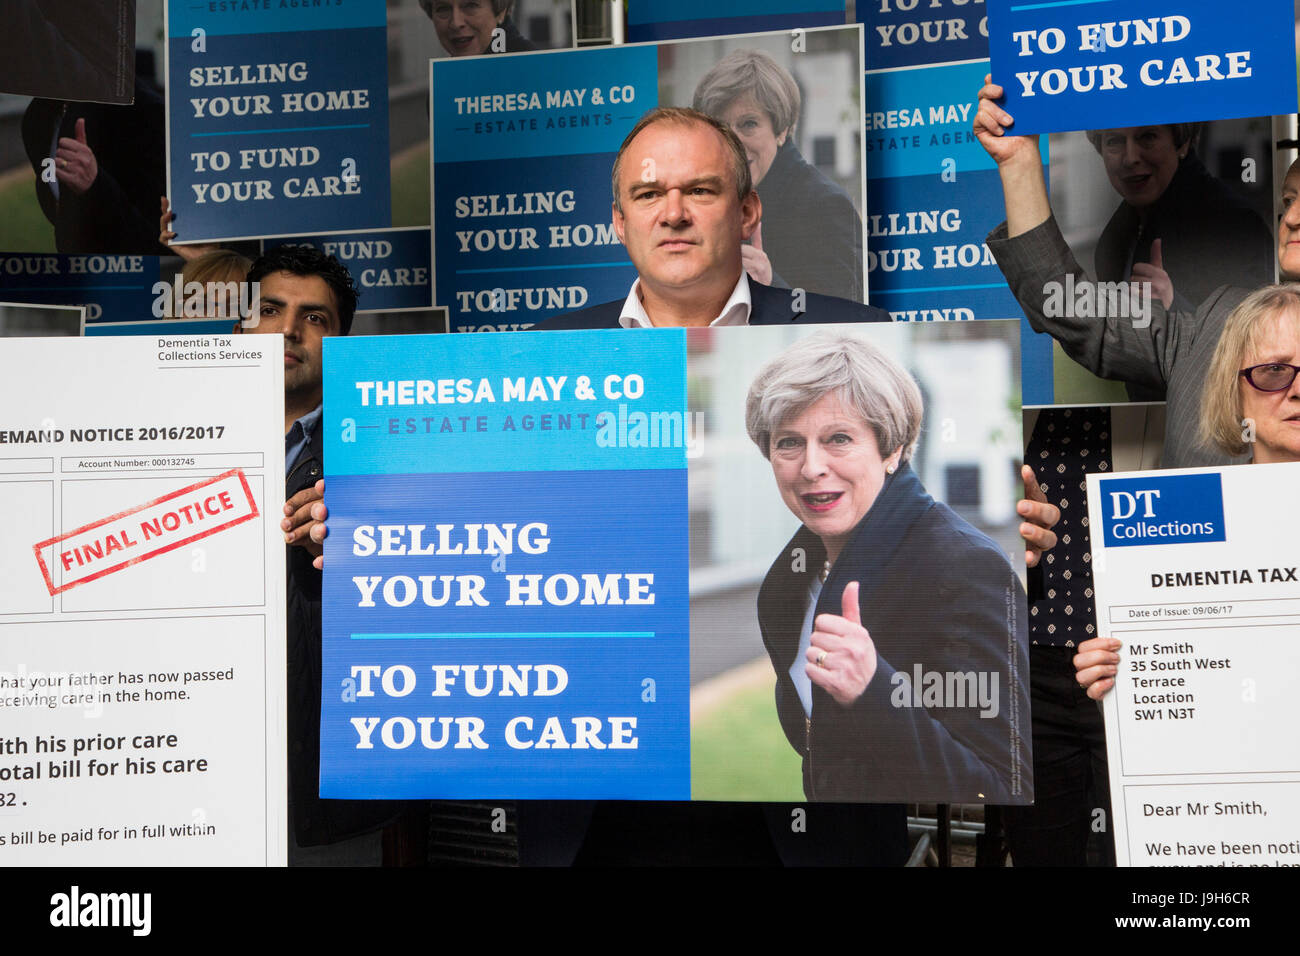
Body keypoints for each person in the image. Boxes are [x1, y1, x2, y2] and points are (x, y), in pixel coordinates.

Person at [747, 330, 1029, 806]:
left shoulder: (963, 568)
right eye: (789, 443)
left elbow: (1001, 790)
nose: (812, 467)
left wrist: (872, 690)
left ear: (893, 449)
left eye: (839, 438)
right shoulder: (788, 583)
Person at [975, 76, 1296, 470]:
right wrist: (1019, 162)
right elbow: (1065, 303)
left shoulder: (1227, 220)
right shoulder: (1213, 325)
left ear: (1181, 143)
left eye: (1147, 138)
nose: (1293, 218)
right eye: (1289, 200)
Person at [237, 244, 405, 863]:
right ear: (238, 323)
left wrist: (360, 547)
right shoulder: (163, 442)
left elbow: (432, 607)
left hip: (323, 791)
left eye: (314, 317)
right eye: (271, 309)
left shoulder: (385, 459)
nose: (287, 329)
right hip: (192, 772)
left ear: (339, 342)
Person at [1076, 284, 1300, 698]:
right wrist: (1117, 676)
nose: (1297, 390)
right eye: (1274, 370)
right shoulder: (1173, 521)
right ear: (1234, 394)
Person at [539, 107, 888, 329]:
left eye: (699, 191)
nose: (673, 214)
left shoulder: (855, 331)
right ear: (620, 223)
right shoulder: (546, 351)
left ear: (747, 213)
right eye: (649, 195)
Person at [692, 49, 864, 302]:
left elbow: (846, 320)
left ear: (782, 130)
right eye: (720, 128)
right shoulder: (704, 204)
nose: (732, 143)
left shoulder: (825, 205)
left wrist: (770, 283)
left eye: (749, 124)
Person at [21, 76, 167, 255]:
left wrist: (95, 185)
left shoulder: (142, 109)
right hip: (78, 271)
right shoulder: (37, 117)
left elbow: (160, 238)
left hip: (139, 273)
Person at [419, 0, 536, 56]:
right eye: (443, 9)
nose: (456, 23)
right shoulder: (443, 87)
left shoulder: (533, 71)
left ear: (501, 12)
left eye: (470, 6)